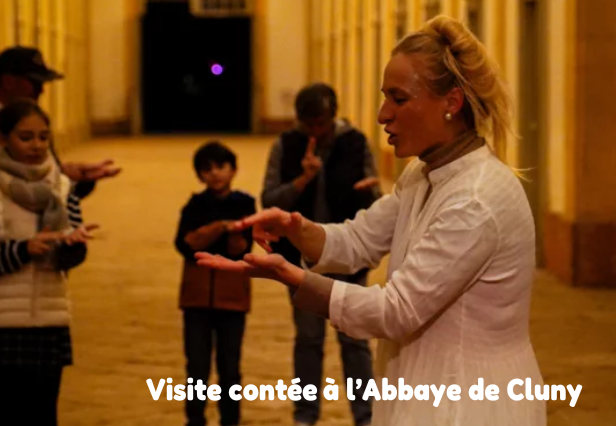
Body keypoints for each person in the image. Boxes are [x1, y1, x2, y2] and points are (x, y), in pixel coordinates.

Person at [197, 16, 545, 426]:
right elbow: (360, 239)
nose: (383, 115)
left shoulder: (476, 197)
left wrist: (291, 276)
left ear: (451, 102)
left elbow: (396, 309)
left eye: (398, 99)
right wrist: (296, 227)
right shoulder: (423, 173)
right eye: (385, 97)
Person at [0, 99, 95, 426]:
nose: (36, 145)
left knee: (43, 415)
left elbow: (67, 257)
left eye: (43, 137)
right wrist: (23, 250)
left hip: (49, 322)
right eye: (26, 137)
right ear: (2, 138)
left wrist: (73, 246)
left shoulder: (61, 185)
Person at [261, 83, 380, 426]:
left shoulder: (355, 143)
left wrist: (371, 193)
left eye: (321, 124)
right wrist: (302, 179)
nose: (316, 131)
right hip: (302, 260)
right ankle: (305, 415)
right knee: (309, 338)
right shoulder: (286, 146)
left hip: (350, 256)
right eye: (308, 125)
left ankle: (366, 416)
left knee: (354, 339)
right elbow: (268, 201)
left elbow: (375, 200)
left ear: (332, 117)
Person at [0, 45, 120, 196]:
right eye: (35, 83)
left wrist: (77, 179)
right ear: (8, 82)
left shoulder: (34, 120)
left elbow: (51, 185)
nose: (41, 91)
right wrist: (58, 176)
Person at [174, 141, 256, 426]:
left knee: (230, 368)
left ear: (233, 169)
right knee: (196, 367)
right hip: (196, 298)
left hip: (233, 298)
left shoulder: (245, 203)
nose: (215, 174)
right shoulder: (194, 205)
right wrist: (221, 227)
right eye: (207, 169)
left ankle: (230, 420)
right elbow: (185, 246)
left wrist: (230, 234)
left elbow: (242, 250)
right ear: (199, 175)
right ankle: (194, 419)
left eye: (221, 166)